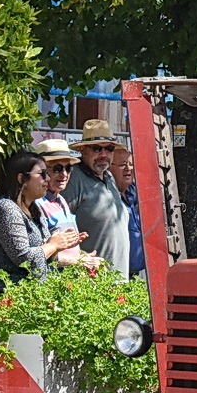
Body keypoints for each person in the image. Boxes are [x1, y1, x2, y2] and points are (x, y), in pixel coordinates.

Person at [0, 151, 84, 289]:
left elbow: (44, 258)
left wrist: (62, 245)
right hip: (7, 298)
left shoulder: (34, 209)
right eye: (42, 174)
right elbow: (24, 259)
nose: (47, 179)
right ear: (21, 178)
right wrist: (52, 245)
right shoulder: (5, 208)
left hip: (32, 295)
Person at [63, 119, 133, 276]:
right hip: (92, 282)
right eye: (96, 149)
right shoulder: (73, 179)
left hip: (118, 280)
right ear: (83, 150)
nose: (104, 155)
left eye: (109, 149)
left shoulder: (108, 176)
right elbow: (59, 229)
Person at [112, 145, 146, 278]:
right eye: (122, 165)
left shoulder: (131, 192)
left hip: (134, 275)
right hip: (117, 275)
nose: (129, 169)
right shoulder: (109, 196)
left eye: (131, 164)